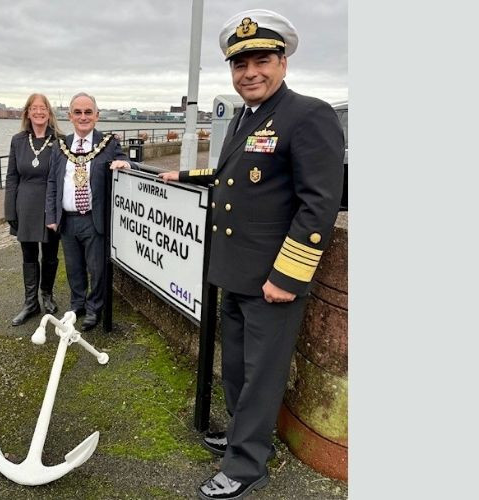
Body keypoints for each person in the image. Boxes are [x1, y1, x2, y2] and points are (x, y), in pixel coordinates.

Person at [158, 10, 345, 500]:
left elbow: (318, 205)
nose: (250, 73)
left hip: (271, 278)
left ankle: (247, 466)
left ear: (283, 62)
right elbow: (234, 178)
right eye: (240, 65)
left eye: (261, 61)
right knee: (239, 368)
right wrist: (186, 176)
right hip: (235, 271)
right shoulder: (247, 116)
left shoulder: (308, 115)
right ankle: (246, 436)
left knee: (262, 375)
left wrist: (287, 277)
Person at [45, 92, 130, 331]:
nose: (83, 117)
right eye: (78, 112)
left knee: (96, 268)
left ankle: (94, 308)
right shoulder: (60, 146)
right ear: (70, 116)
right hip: (67, 219)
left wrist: (125, 163)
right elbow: (52, 181)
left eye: (88, 112)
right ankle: (77, 304)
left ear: (97, 116)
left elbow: (125, 160)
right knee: (73, 267)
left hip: (94, 219)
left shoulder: (108, 143)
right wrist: (51, 215)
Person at [4, 93, 63, 326]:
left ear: (49, 113)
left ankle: (47, 295)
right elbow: (11, 177)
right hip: (25, 204)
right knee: (28, 255)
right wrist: (10, 211)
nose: (39, 112)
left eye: (43, 108)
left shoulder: (60, 141)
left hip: (50, 204)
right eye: (34, 108)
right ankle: (31, 303)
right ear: (27, 112)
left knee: (50, 254)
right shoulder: (18, 141)